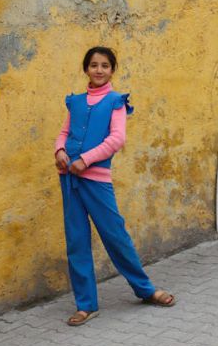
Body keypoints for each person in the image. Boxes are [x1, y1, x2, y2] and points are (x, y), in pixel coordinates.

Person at [54, 46, 176, 326]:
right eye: (94, 65)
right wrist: (59, 150)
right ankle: (86, 305)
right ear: (86, 68)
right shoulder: (75, 101)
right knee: (76, 242)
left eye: (105, 66)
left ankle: (145, 290)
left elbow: (116, 139)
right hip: (69, 178)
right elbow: (63, 132)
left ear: (112, 70)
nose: (99, 70)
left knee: (115, 237)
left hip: (95, 181)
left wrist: (85, 160)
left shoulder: (115, 102)